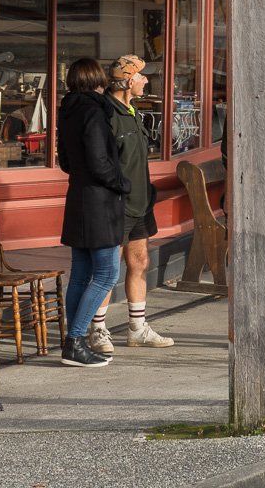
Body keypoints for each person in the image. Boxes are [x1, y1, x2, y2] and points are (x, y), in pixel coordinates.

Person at [83, 55, 173, 354]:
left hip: (141, 203)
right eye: (142, 76)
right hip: (116, 205)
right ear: (129, 80)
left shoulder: (133, 110)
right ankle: (97, 330)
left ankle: (137, 328)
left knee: (139, 262)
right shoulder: (107, 114)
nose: (147, 80)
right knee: (108, 271)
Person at [55, 57, 129, 368]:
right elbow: (101, 163)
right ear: (97, 81)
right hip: (100, 202)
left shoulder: (68, 110)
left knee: (81, 274)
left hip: (78, 196)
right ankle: (75, 340)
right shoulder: (95, 111)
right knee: (107, 274)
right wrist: (121, 183)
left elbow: (66, 162)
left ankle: (73, 342)